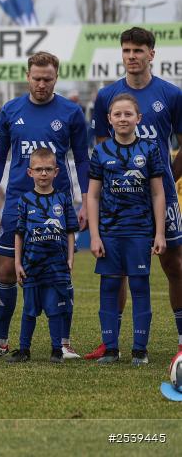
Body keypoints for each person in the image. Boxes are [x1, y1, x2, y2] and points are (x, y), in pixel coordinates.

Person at [0, 51, 89, 359]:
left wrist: (87, 203)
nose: (41, 84)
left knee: (61, 274)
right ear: (27, 77)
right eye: (36, 78)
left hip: (57, 204)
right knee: (6, 272)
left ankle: (63, 344)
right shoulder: (11, 110)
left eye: (47, 79)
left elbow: (81, 159)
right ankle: (0, 342)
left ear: (56, 78)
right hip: (16, 204)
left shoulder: (71, 112)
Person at [85, 26, 182, 360]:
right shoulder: (106, 97)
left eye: (138, 51)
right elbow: (102, 148)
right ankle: (111, 342)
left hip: (161, 196)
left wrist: (167, 175)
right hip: (118, 202)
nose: (131, 57)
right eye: (126, 51)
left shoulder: (171, 94)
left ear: (151, 54)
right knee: (117, 270)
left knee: (174, 264)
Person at [88, 94, 166, 366]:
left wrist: (159, 233)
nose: (122, 119)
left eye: (128, 114)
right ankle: (111, 349)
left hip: (140, 232)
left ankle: (139, 350)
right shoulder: (100, 152)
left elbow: (158, 193)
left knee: (139, 286)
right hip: (109, 234)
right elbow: (93, 196)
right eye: (117, 114)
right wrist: (95, 235)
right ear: (109, 119)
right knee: (109, 286)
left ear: (138, 118)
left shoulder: (149, 149)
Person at [6, 147, 78, 364]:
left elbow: (70, 231)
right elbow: (19, 234)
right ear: (30, 173)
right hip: (31, 265)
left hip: (56, 267)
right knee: (29, 310)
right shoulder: (25, 200)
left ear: (56, 171)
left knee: (55, 310)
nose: (44, 173)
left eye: (48, 169)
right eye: (39, 169)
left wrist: (70, 258)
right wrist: (18, 263)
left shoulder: (63, 199)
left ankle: (57, 350)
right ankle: (24, 349)